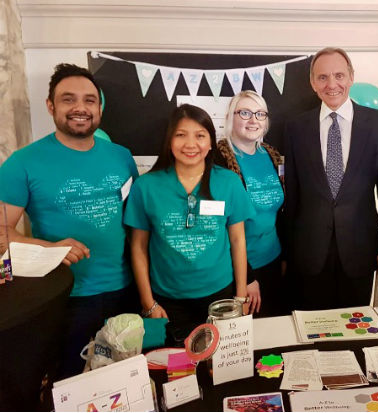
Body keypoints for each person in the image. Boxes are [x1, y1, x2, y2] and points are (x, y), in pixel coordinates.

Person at [0, 63, 139, 378]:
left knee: (125, 375)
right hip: (65, 297)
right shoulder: (22, 163)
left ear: (99, 108)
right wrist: (48, 248)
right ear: (50, 106)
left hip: (124, 290)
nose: (80, 107)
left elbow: (134, 222)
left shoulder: (121, 156)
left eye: (90, 100)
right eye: (68, 99)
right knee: (70, 381)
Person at [124, 104, 253, 344]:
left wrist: (241, 297)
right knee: (177, 371)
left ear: (211, 142)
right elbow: (138, 247)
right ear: (169, 140)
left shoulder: (229, 182)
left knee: (220, 368)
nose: (190, 144)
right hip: (167, 301)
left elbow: (238, 240)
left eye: (200, 135)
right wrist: (148, 304)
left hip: (221, 297)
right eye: (181, 135)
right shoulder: (146, 187)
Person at [284, 47, 378, 310]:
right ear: (313, 83)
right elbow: (293, 193)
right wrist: (287, 250)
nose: (331, 84)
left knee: (355, 325)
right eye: (323, 77)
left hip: (360, 248)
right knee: (312, 328)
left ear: (351, 77)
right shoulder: (296, 128)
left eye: (339, 75)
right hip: (308, 250)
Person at [218, 90, 285, 317]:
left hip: (273, 260)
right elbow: (220, 225)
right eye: (245, 113)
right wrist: (247, 277)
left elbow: (281, 213)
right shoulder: (219, 159)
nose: (253, 120)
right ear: (230, 116)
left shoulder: (272, 156)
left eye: (260, 114)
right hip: (238, 268)